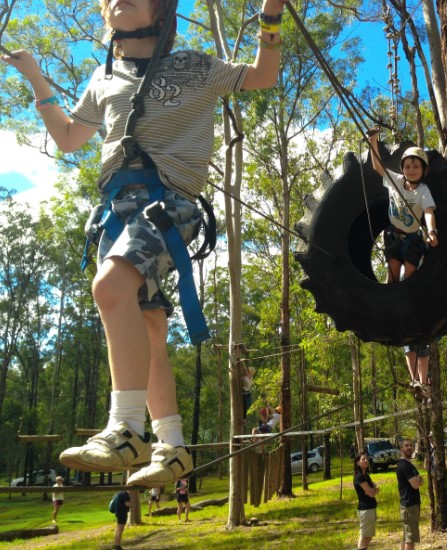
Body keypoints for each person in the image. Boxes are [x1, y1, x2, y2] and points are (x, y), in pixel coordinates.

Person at [1, 0, 286, 487]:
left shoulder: (196, 65)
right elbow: (70, 138)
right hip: (116, 211)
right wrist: (35, 77)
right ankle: (172, 446)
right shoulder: (103, 77)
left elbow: (262, 75)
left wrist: (272, 15)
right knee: (149, 324)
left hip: (167, 204)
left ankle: (127, 428)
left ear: (160, 11)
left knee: (109, 289)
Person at [367, 128, 439, 394]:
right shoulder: (395, 180)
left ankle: (404, 301)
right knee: (392, 276)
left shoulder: (423, 192)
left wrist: (431, 231)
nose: (410, 169)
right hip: (393, 235)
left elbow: (429, 212)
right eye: (407, 165)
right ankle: (389, 305)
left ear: (423, 170)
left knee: (408, 278)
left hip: (413, 238)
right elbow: (377, 166)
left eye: (415, 166)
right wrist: (373, 141)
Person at [396, 439, 423, 550]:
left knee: (406, 536)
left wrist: (419, 479)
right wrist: (418, 480)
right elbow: (416, 484)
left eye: (411, 445)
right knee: (410, 539)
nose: (409, 448)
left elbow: (421, 479)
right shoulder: (404, 465)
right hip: (409, 505)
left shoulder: (409, 464)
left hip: (411, 505)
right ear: (401, 449)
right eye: (406, 446)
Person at [353, 452, 379, 549]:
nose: (366, 461)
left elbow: (374, 487)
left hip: (371, 508)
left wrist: (374, 490)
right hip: (366, 509)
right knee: (365, 535)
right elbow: (371, 493)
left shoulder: (366, 476)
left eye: (366, 459)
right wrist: (374, 490)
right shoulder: (359, 477)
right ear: (357, 463)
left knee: (368, 536)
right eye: (363, 459)